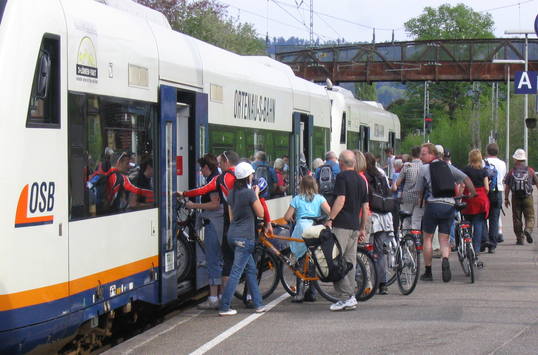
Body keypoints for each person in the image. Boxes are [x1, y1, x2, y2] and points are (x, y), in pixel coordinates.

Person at [415, 143, 476, 283]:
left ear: (432, 154)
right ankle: (446, 259)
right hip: (449, 205)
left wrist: (421, 203)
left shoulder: (423, 169)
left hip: (433, 205)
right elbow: (465, 178)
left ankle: (428, 272)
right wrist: (473, 193)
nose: (421, 157)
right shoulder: (448, 166)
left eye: (423, 154)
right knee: (444, 238)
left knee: (428, 238)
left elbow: (419, 190)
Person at [219, 162, 266, 316]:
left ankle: (258, 304)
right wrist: (257, 194)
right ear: (248, 176)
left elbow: (232, 217)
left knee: (251, 270)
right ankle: (224, 306)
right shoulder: (249, 193)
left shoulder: (231, 193)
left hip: (232, 235)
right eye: (252, 174)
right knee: (236, 272)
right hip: (245, 237)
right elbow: (260, 213)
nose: (253, 176)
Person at [178, 154, 224, 310]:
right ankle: (222, 296)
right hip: (217, 224)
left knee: (213, 260)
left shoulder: (214, 179)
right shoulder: (217, 177)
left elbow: (215, 204)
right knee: (219, 260)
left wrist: (193, 206)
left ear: (206, 167)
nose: (200, 171)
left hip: (214, 225)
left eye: (201, 168)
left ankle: (213, 298)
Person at [325, 150, 369, 311]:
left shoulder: (342, 177)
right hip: (354, 226)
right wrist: (362, 228)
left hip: (341, 225)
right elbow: (365, 207)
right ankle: (350, 297)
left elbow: (341, 199)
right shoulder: (361, 180)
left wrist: (330, 218)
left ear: (341, 163)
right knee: (350, 262)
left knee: (334, 261)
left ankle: (345, 297)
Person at [283, 176, 331, 302]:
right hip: (315, 230)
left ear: (301, 186)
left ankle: (299, 293)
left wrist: (293, 218)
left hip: (301, 230)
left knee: (300, 261)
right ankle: (313, 292)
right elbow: (330, 212)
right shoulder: (320, 198)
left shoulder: (297, 199)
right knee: (313, 260)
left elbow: (287, 217)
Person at [364, 152, 394, 295]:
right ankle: (383, 283)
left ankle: (367, 282)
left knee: (364, 251)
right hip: (384, 216)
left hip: (372, 217)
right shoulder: (381, 174)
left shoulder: (365, 177)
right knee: (379, 252)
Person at [503, 149, 538, 245]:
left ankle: (520, 238)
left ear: (516, 159)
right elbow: (537, 183)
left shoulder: (511, 172)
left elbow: (507, 187)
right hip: (528, 197)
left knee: (516, 218)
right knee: (530, 217)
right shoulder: (530, 170)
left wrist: (506, 199)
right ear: (524, 159)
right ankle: (528, 229)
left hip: (515, 198)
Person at [461, 149, 490, 260]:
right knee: (478, 224)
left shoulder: (466, 170)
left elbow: (463, 185)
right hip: (480, 199)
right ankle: (476, 250)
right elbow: (487, 188)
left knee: (467, 223)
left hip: (469, 198)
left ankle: (467, 246)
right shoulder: (483, 171)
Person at [392, 146, 423, 231]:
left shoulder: (407, 166)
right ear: (420, 154)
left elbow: (397, 183)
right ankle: (416, 239)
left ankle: (407, 240)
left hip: (407, 197)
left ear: (411, 155)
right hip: (420, 198)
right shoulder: (424, 166)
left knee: (406, 220)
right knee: (417, 221)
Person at [483, 143, 507, 249]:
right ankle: (492, 244)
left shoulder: (483, 162)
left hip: (486, 192)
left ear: (487, 151)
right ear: (497, 152)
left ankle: (483, 240)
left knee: (482, 217)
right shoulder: (502, 164)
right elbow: (502, 177)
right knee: (494, 218)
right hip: (498, 192)